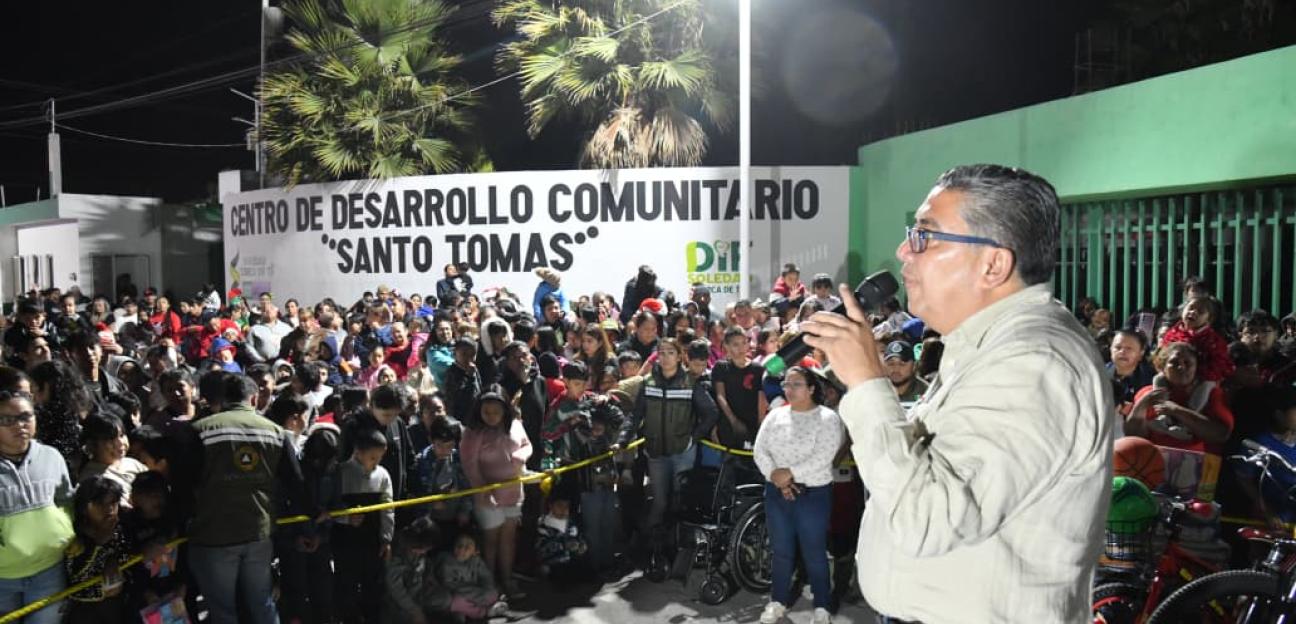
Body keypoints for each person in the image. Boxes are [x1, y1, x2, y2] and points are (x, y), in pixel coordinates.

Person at [800, 164, 1112, 623]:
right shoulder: (987, 345)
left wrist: (867, 384)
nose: (903, 250)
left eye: (925, 236)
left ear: (993, 264)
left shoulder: (1036, 363)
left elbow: (927, 516)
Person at [186, 372, 308, 624]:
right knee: (262, 603)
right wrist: (312, 517)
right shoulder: (275, 432)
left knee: (222, 611)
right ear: (253, 399)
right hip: (258, 533)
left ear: (222, 399)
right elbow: (296, 483)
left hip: (213, 535)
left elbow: (183, 485)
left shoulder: (200, 430)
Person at [753, 366, 843, 624]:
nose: (789, 390)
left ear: (812, 388)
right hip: (776, 492)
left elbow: (823, 457)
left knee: (814, 551)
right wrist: (775, 476)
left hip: (813, 494)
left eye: (796, 385)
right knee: (781, 550)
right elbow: (760, 450)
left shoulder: (827, 418)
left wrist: (787, 474)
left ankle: (822, 605)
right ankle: (777, 600)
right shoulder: (775, 416)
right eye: (786, 385)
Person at [618, 337, 719, 531]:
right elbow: (636, 414)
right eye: (662, 353)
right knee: (659, 502)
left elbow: (711, 413)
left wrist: (693, 439)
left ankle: (677, 546)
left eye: (670, 353)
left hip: (683, 453)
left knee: (679, 501)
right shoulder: (648, 383)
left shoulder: (690, 383)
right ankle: (652, 545)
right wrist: (623, 438)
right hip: (656, 453)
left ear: (680, 356)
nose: (665, 358)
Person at [0, 390, 76, 624]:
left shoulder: (52, 456)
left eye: (25, 416)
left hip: (49, 571)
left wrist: (64, 531)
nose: (19, 425)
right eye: (7, 420)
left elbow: (66, 500)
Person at [459, 389, 533, 600]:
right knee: (490, 540)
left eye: (496, 411)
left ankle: (507, 579)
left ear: (505, 410)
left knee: (509, 538)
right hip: (487, 495)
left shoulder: (515, 425)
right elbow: (470, 466)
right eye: (486, 411)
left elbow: (528, 445)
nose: (491, 416)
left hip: (513, 491)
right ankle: (489, 583)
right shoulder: (473, 432)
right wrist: (483, 490)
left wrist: (521, 456)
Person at [334, 428, 395, 623]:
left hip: (372, 541)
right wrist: (346, 518)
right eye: (372, 457)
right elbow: (330, 507)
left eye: (380, 457)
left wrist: (386, 539)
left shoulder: (383, 475)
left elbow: (388, 509)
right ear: (358, 452)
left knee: (373, 585)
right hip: (346, 542)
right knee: (347, 585)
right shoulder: (341, 473)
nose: (376, 462)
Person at [1125, 342, 1232, 454]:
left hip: (1191, 465)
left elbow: (1221, 435)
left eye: (1188, 363)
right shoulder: (1147, 393)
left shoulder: (1212, 394)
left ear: (1196, 368)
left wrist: (1177, 410)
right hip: (1150, 461)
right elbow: (1132, 435)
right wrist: (1142, 405)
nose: (1181, 367)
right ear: (1162, 367)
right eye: (1174, 362)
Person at [63, 475, 129, 624]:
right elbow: (74, 579)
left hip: (116, 607)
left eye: (113, 502)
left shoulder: (121, 528)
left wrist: (115, 561)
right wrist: (98, 543)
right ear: (84, 508)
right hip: (84, 612)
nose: (110, 509)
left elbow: (130, 556)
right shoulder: (74, 537)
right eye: (100, 503)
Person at [384, 517, 452, 624]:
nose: (425, 551)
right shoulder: (396, 554)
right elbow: (395, 589)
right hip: (400, 599)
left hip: (419, 591)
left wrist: (431, 579)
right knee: (404, 617)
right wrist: (415, 611)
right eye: (425, 548)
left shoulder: (421, 549)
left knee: (445, 599)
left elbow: (426, 565)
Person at [436, 533, 508, 621]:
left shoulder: (476, 561)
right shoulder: (446, 562)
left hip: (476, 592)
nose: (462, 549)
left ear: (475, 551)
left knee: (492, 593)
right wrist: (475, 594)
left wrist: (486, 590)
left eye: (467, 547)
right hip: (457, 594)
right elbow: (450, 585)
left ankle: (469, 611)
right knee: (457, 602)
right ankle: (483, 612)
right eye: (459, 545)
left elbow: (486, 577)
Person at [1109, 329, 1155, 416]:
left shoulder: (1150, 380)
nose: (1122, 352)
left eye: (1129, 349)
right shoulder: (1099, 374)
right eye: (1118, 347)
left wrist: (1133, 410)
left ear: (1141, 353)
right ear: (1110, 349)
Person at [881, 340, 928, 408]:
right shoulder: (877, 391)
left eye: (902, 364)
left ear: (914, 366)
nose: (896, 369)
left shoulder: (926, 392)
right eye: (891, 364)